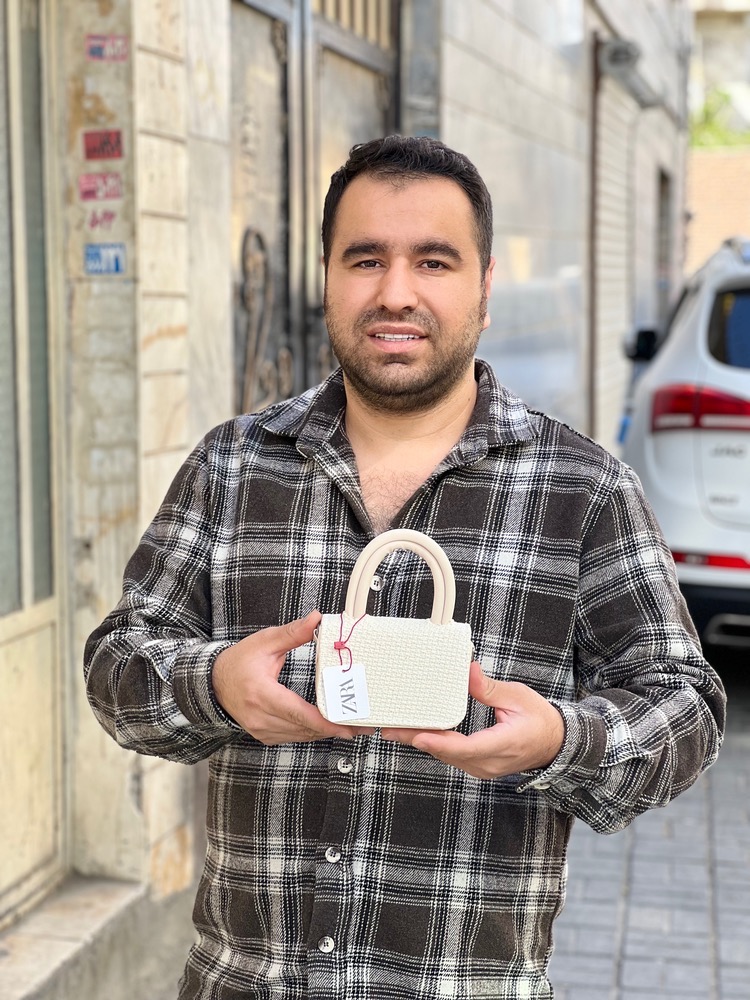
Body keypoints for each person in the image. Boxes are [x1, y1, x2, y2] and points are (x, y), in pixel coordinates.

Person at [84, 135, 726, 999]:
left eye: (433, 260)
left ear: (484, 288)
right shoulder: (232, 467)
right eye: (365, 259)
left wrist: (561, 739)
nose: (395, 292)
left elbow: (685, 707)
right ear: (326, 277)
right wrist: (215, 685)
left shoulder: (583, 490)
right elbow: (117, 663)